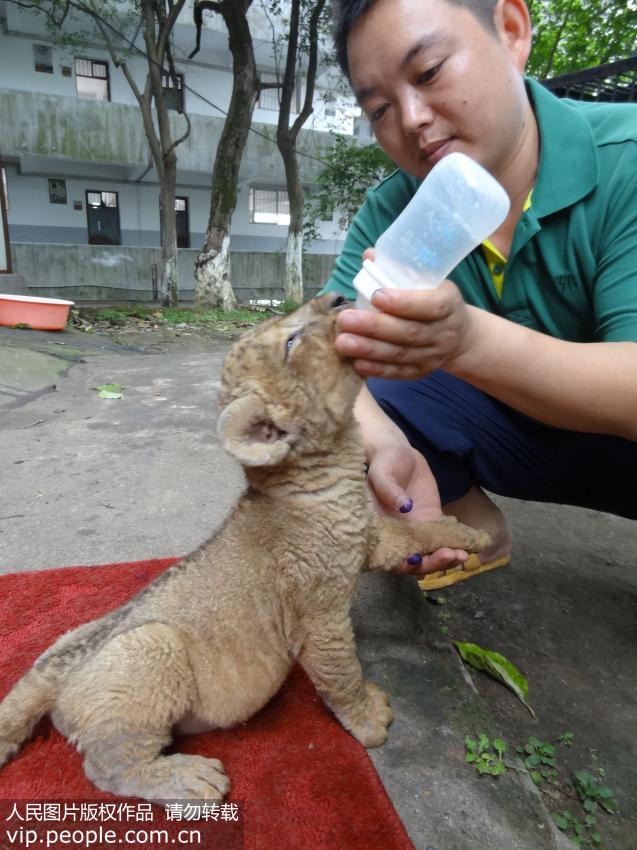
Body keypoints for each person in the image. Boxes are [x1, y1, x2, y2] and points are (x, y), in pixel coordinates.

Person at [322, 0, 637, 589]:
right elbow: (317, 350)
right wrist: (383, 445)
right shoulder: (394, 211)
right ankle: (472, 525)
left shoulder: (627, 157)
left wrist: (464, 341)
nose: (411, 118)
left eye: (429, 71)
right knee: (373, 369)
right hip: (516, 443)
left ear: (511, 31)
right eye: (380, 108)